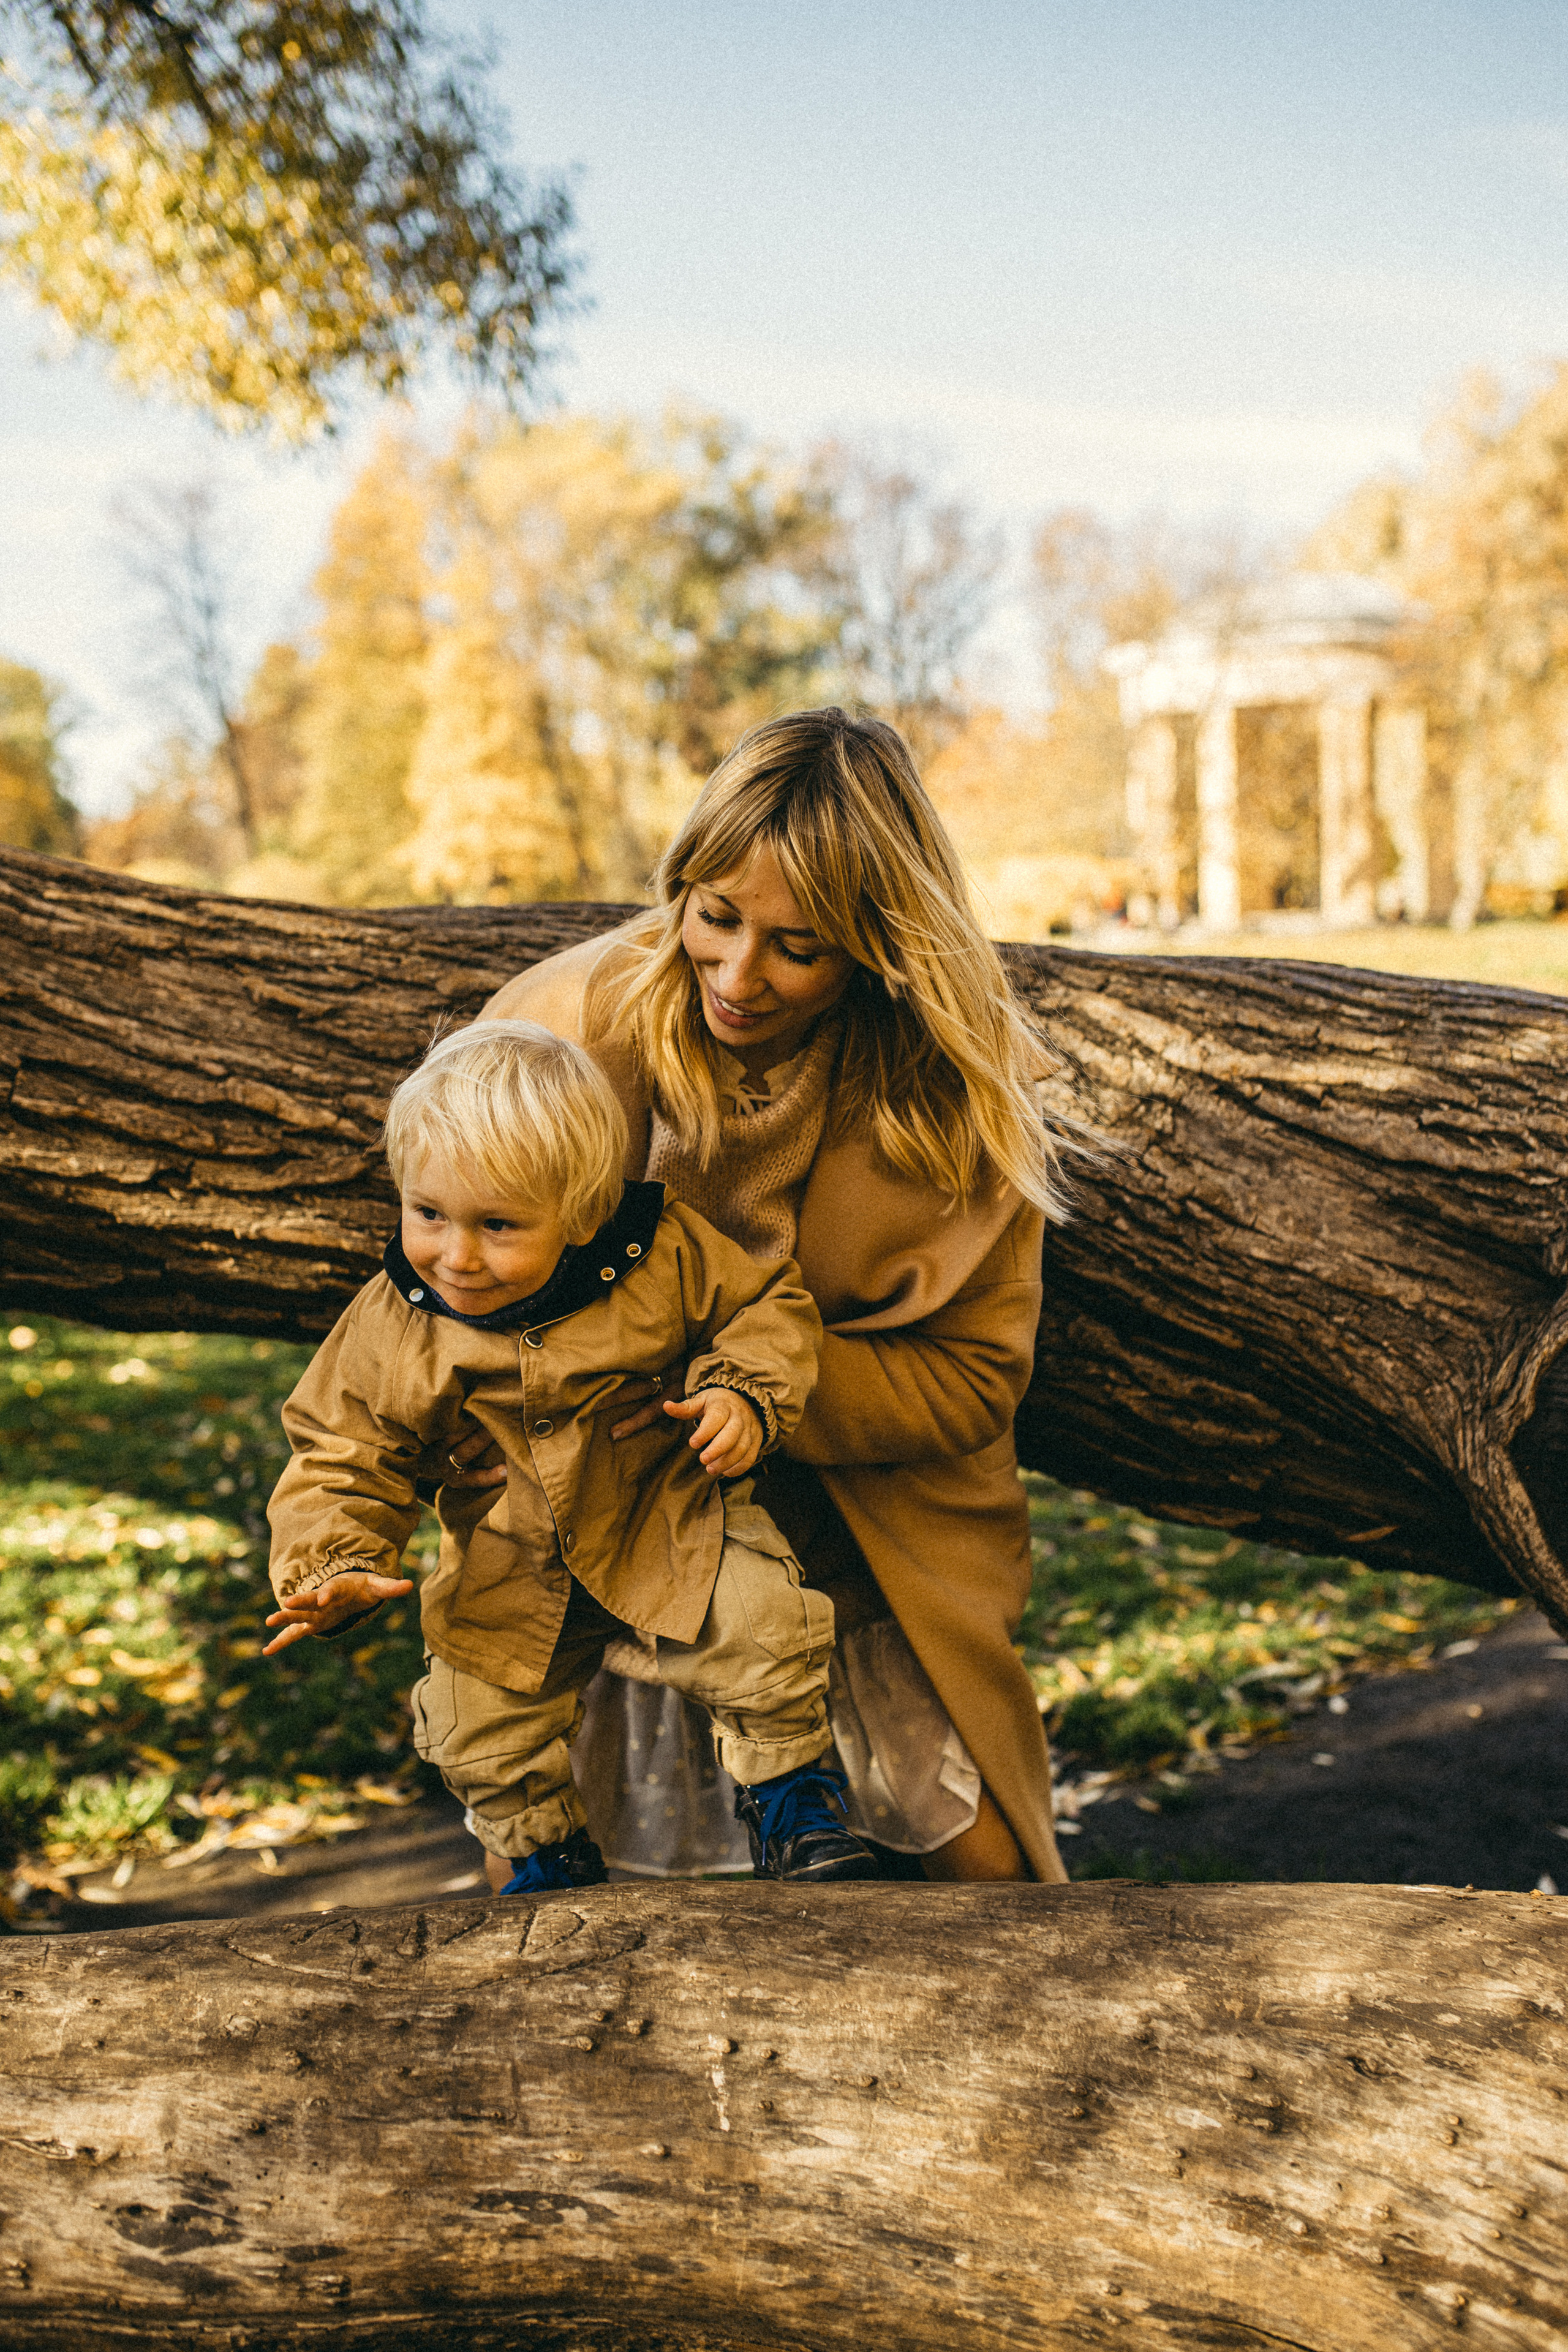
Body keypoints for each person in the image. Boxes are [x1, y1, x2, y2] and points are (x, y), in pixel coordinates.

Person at [462, 707, 1074, 1885]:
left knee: (986, 1874)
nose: (740, 976)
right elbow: (451, 1267)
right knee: (538, 1872)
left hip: (861, 1529)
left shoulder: (949, 1090)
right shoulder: (563, 1028)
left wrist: (738, 1385)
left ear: (878, 948)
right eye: (716, 917)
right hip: (602, 1509)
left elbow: (974, 1378)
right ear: (681, 886)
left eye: (799, 947)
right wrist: (482, 1412)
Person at [261, 1020, 881, 1890]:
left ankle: (792, 1806)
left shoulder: (660, 1257)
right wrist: (337, 1560)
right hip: (510, 1554)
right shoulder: (395, 1323)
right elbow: (343, 1448)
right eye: (428, 1214)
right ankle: (545, 1856)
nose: (456, 1255)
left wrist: (741, 1391)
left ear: (583, 1214)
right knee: (475, 1721)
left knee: (761, 1627)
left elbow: (764, 1307)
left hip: (663, 1510)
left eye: (498, 1225)